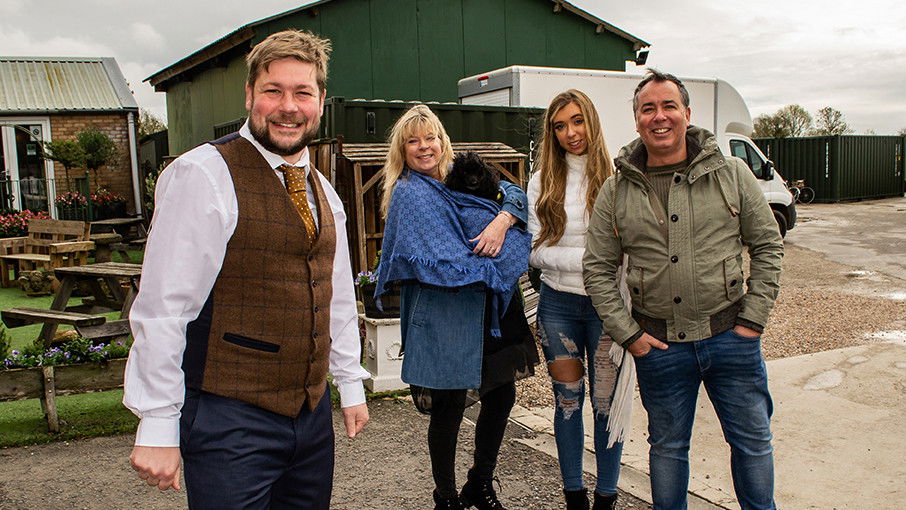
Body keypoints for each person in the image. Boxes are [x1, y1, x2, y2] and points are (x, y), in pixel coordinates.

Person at [123, 30, 370, 509]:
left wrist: (350, 383)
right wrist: (157, 421)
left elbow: (335, 293)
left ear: (321, 101)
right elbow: (163, 305)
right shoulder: (203, 174)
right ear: (250, 96)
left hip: (310, 416)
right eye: (273, 90)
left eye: (302, 93)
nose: (288, 106)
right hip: (228, 415)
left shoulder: (323, 188)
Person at [583, 69, 784, 510]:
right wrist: (630, 336)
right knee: (668, 448)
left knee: (752, 443)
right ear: (636, 120)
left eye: (669, 105)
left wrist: (752, 319)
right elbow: (597, 269)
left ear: (687, 113)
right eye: (648, 108)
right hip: (660, 347)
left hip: (733, 340)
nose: (660, 116)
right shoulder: (616, 190)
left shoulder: (732, 174)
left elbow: (768, 245)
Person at [375, 104, 539, 510]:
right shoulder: (410, 194)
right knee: (447, 409)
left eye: (429, 137)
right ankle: (445, 497)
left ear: (441, 141)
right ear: (402, 149)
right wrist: (506, 257)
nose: (423, 147)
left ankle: (479, 484)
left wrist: (503, 220)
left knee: (501, 396)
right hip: (444, 313)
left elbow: (512, 191)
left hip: (489, 312)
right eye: (412, 141)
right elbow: (450, 262)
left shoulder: (457, 175)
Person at [527, 90, 632, 510]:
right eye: (559, 125)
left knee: (605, 406)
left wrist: (592, 262)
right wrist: (594, 259)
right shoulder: (541, 182)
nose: (570, 133)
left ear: (591, 121)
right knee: (567, 403)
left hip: (608, 309)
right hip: (557, 307)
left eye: (577, 121)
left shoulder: (618, 178)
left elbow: (629, 248)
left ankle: (607, 497)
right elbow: (534, 250)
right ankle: (574, 495)